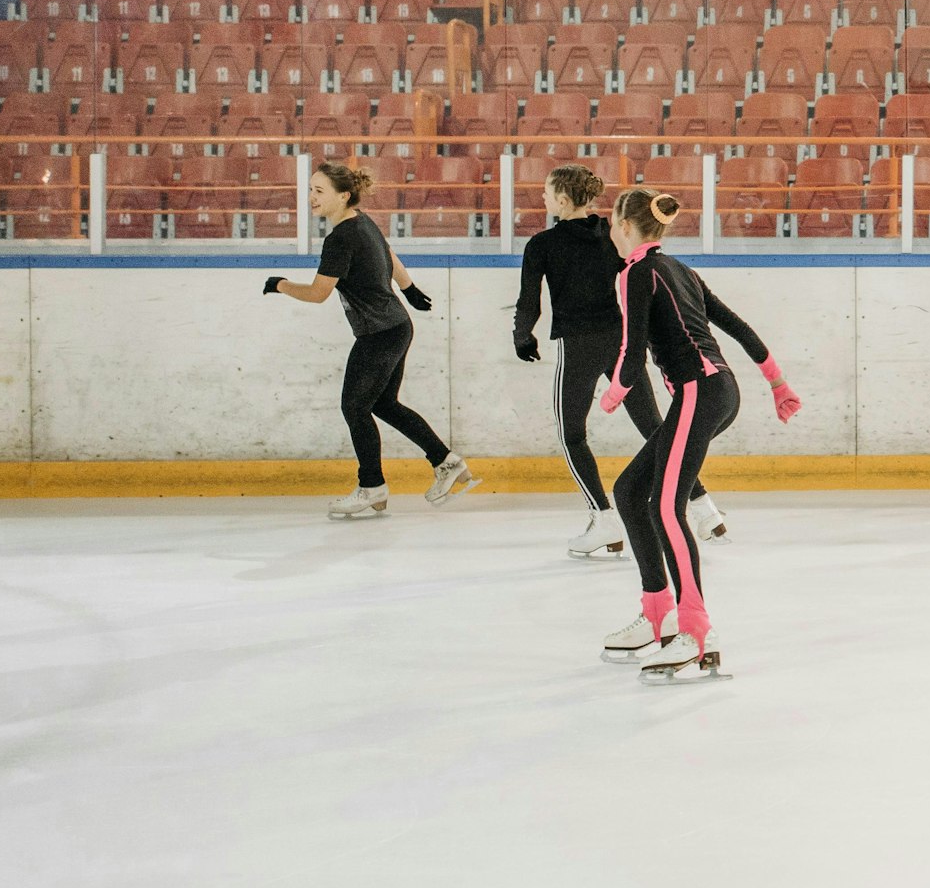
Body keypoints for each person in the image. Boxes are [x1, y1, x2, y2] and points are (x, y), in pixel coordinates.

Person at [600, 189, 802, 684]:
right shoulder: (682, 271)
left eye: (610, 221)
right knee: (629, 491)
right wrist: (777, 382)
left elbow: (632, 350)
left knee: (666, 508)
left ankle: (694, 630)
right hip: (719, 391)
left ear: (625, 226)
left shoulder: (635, 273)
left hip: (699, 391)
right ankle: (655, 614)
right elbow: (737, 326)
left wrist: (612, 395)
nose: (609, 229)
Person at [262, 163, 477, 519]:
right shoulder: (361, 221)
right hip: (395, 327)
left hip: (379, 334)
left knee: (355, 407)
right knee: (385, 405)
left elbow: (318, 293)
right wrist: (409, 289)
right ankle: (445, 461)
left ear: (343, 196)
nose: (311, 197)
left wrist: (281, 285)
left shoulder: (341, 238)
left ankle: (372, 486)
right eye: (311, 189)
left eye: (319, 191)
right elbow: (389, 254)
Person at [513, 164, 663, 559]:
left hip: (578, 344)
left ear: (562, 200)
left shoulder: (542, 244)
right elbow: (642, 271)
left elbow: (530, 299)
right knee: (653, 425)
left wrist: (522, 335)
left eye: (546, 192)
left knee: (572, 434)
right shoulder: (610, 235)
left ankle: (604, 519)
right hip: (619, 339)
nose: (542, 198)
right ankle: (702, 506)